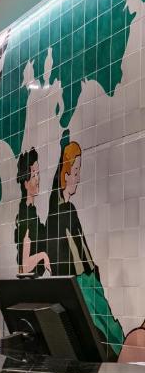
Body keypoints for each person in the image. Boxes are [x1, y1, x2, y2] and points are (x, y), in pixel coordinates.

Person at [46, 141, 124, 355]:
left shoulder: (60, 212)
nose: (78, 178)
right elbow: (79, 257)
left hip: (81, 282)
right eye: (76, 171)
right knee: (105, 328)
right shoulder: (64, 212)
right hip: (83, 283)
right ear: (65, 173)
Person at [14, 148, 51, 276]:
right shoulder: (27, 214)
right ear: (25, 183)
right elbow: (25, 267)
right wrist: (44, 256)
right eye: (34, 175)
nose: (38, 179)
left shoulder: (31, 212)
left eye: (38, 174)